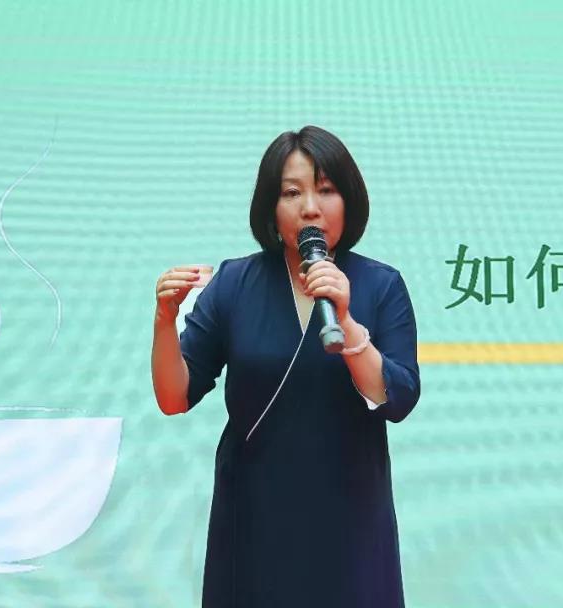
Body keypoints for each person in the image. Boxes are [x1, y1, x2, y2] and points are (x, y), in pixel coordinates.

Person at [151, 125, 421, 608]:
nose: (310, 207)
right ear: (271, 209)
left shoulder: (381, 285)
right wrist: (164, 321)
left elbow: (397, 399)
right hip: (255, 518)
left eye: (326, 190)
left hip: (350, 517)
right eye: (292, 193)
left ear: (349, 201)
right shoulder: (235, 283)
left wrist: (347, 324)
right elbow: (174, 398)